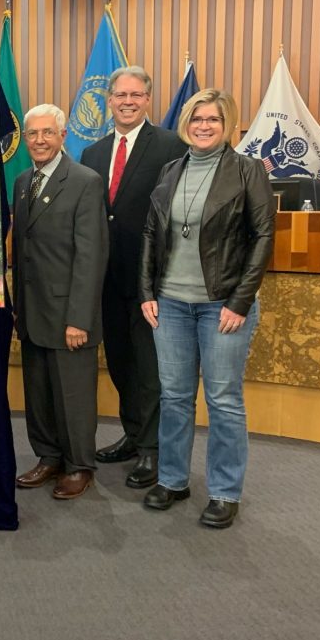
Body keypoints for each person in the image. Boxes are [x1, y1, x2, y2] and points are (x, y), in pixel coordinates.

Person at [139, 88, 275, 529]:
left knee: (223, 400)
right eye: (197, 119)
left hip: (222, 307)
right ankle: (174, 480)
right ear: (186, 123)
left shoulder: (247, 170)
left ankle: (224, 491)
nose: (203, 126)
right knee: (175, 397)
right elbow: (150, 234)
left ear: (227, 124)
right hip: (172, 305)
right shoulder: (169, 170)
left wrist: (240, 301)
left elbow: (262, 239)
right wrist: (147, 291)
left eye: (213, 120)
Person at [81, 66, 186, 489]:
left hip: (151, 281)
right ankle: (133, 433)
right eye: (120, 95)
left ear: (148, 99)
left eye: (136, 95)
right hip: (105, 279)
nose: (127, 101)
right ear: (109, 100)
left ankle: (152, 450)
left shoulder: (171, 145)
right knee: (122, 363)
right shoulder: (91, 154)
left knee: (149, 366)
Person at [12, 104, 108, 501]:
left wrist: (79, 318)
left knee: (73, 396)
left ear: (63, 136)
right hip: (33, 312)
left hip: (69, 315)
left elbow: (92, 254)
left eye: (47, 133)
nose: (39, 141)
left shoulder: (85, 181)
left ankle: (79, 465)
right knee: (38, 393)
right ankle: (48, 456)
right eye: (32, 134)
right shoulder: (21, 181)